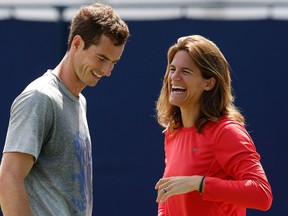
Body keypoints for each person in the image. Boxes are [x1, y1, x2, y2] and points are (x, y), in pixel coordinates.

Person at [0, 3, 129, 216]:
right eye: (101, 58)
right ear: (77, 43)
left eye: (113, 62)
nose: (107, 71)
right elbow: (8, 178)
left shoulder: (80, 101)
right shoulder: (40, 97)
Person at [154, 35, 272, 215]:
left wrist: (199, 183)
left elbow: (261, 194)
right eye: (172, 69)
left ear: (209, 83)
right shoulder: (172, 132)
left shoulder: (227, 132)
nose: (174, 77)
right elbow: (168, 192)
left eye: (185, 71)